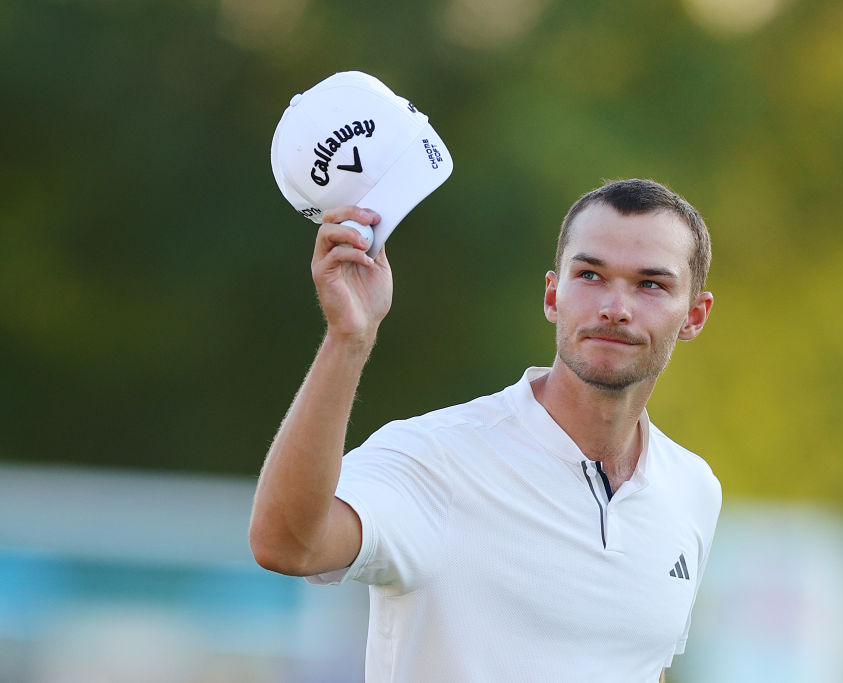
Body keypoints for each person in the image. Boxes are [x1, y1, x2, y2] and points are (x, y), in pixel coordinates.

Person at [250, 178, 722, 683]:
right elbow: (286, 545)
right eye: (589, 275)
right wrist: (348, 338)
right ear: (552, 295)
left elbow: (640, 666)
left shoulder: (692, 488)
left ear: (694, 316)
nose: (614, 306)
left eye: (651, 284)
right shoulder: (438, 456)